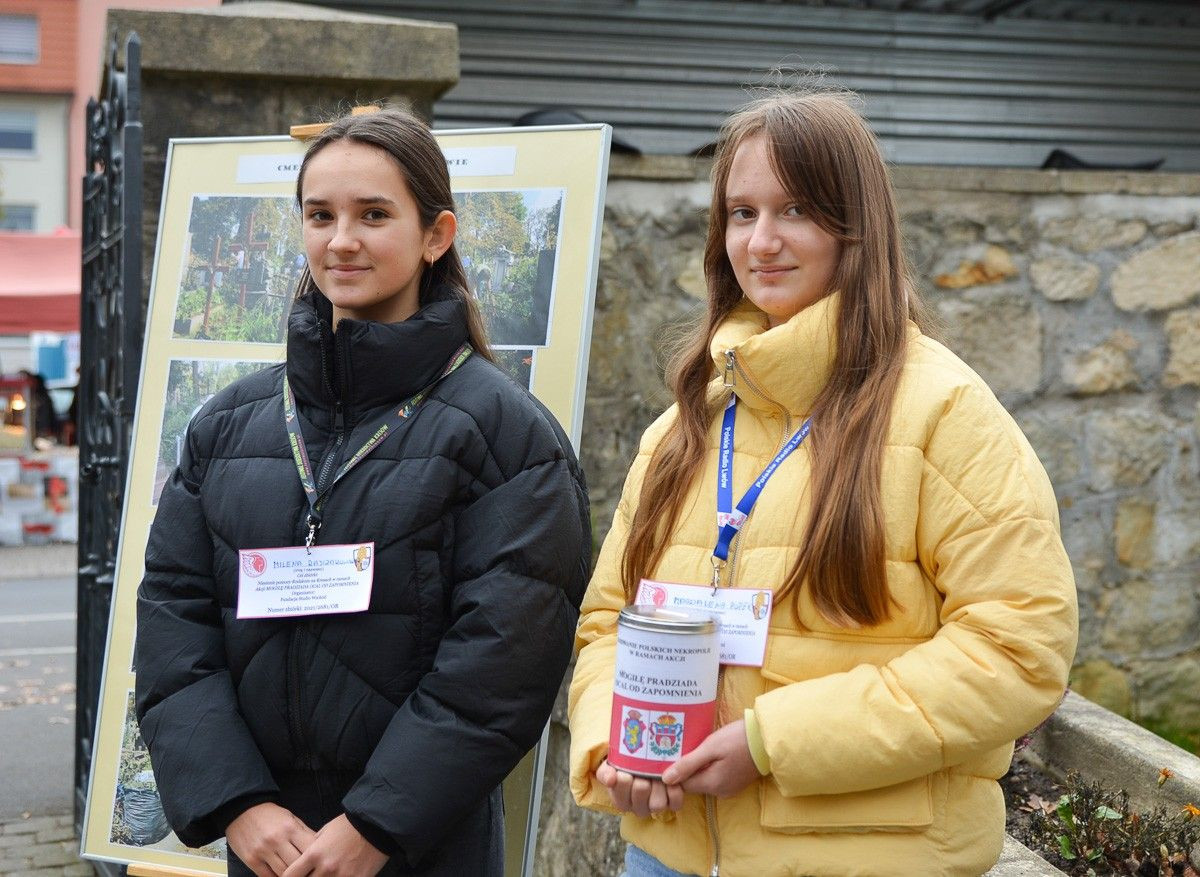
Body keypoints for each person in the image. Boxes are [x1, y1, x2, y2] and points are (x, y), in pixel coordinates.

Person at [568, 90, 1078, 877]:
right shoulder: (686, 425)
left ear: (856, 227)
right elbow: (610, 620)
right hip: (669, 856)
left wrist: (775, 742)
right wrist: (616, 740)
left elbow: (1018, 649)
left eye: (795, 209)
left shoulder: (947, 412)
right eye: (742, 212)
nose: (762, 240)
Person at [135, 109, 591, 877]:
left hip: (420, 846)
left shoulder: (505, 436)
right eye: (321, 215)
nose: (340, 240)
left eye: (373, 215)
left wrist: (377, 822)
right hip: (268, 842)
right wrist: (239, 804)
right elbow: (174, 622)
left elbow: (505, 659)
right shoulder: (227, 426)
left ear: (436, 234)